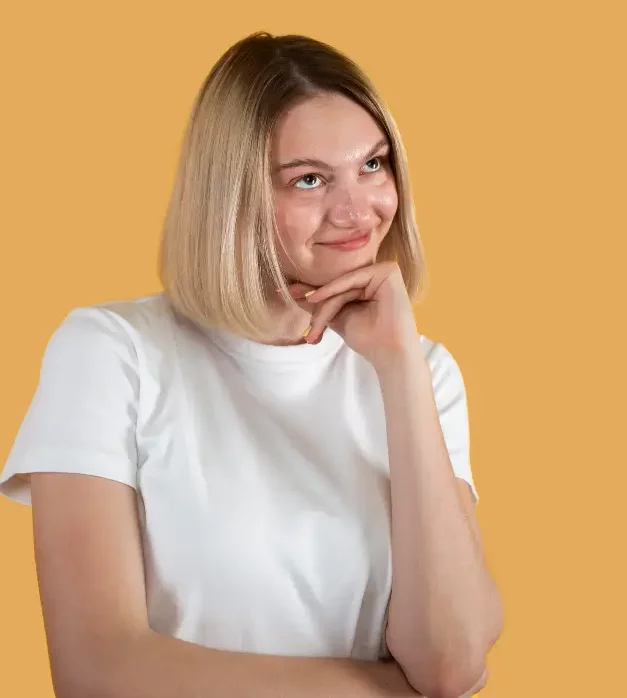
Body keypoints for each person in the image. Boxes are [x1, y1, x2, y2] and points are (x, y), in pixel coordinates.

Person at [0, 31, 502, 698]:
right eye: (310, 179)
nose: (358, 210)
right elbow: (97, 669)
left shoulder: (423, 374)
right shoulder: (112, 352)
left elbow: (452, 663)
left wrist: (398, 366)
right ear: (231, 194)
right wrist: (392, 690)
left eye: (374, 165)